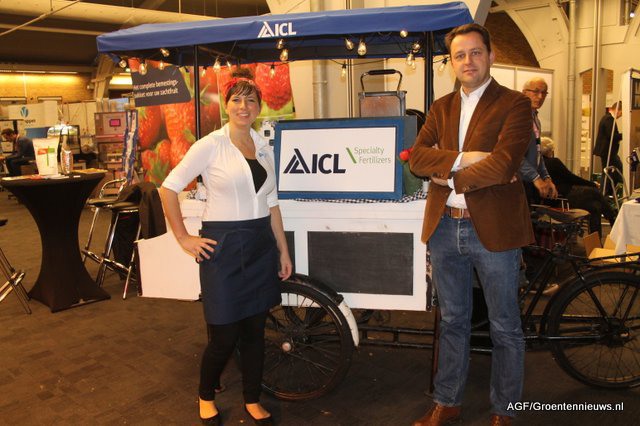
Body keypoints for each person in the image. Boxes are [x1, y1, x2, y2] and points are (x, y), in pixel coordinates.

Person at [409, 23, 534, 426]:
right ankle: (447, 402)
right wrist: (466, 158)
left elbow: (504, 164)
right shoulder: (441, 107)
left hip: (493, 229)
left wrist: (448, 176)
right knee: (452, 321)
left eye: (476, 52)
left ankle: (505, 410)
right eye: (460, 55)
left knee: (505, 326)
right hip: (445, 227)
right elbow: (418, 159)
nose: (468, 61)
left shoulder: (515, 104)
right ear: (452, 62)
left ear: (491, 56)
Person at [159, 68, 292, 426]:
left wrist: (283, 250)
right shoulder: (211, 145)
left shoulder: (263, 147)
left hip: (260, 245)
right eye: (236, 100)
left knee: (255, 333)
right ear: (227, 105)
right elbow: (168, 189)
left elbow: (272, 203)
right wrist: (183, 238)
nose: (243, 106)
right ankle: (205, 396)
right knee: (224, 335)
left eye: (251, 100)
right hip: (224, 250)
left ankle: (252, 399)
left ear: (259, 106)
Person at [541, 137, 616, 236]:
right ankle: (612, 219)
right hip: (564, 198)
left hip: (555, 200)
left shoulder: (538, 164)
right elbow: (571, 178)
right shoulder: (553, 162)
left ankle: (597, 239)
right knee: (594, 191)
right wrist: (592, 184)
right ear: (549, 150)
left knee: (595, 207)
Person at [519, 77, 557, 204]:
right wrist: (535, 177)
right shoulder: (517, 117)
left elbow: (538, 152)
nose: (540, 97)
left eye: (544, 93)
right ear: (524, 92)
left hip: (530, 182)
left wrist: (546, 177)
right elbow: (514, 154)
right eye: (535, 92)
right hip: (517, 183)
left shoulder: (536, 119)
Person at [592, 101, 623, 196]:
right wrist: (623, 135)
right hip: (607, 152)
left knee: (609, 172)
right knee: (614, 171)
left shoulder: (606, 118)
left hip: (608, 152)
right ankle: (605, 193)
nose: (621, 116)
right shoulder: (609, 119)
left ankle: (607, 193)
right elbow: (612, 135)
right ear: (618, 110)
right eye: (621, 113)